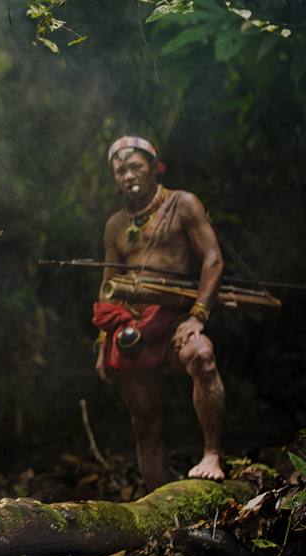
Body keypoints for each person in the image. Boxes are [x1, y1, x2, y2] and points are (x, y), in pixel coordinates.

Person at [93, 136, 226, 491]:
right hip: (133, 327)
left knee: (202, 356)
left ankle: (211, 456)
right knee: (143, 422)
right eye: (120, 170)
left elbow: (213, 259)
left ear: (155, 167)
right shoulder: (115, 225)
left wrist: (198, 316)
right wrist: (103, 341)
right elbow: (108, 285)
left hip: (177, 318)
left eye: (135, 166)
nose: (128, 175)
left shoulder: (184, 204)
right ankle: (158, 501)